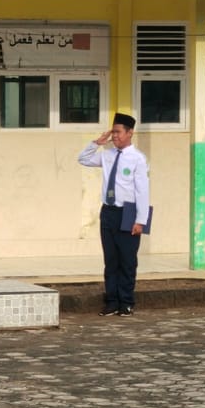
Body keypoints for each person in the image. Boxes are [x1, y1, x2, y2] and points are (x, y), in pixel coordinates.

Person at [78, 112, 150, 318]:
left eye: (118, 132)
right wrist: (97, 142)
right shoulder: (108, 154)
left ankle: (126, 302)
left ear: (130, 133)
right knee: (111, 260)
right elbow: (83, 159)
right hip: (108, 211)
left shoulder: (138, 159)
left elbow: (142, 191)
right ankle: (111, 302)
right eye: (113, 132)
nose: (115, 136)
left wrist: (140, 220)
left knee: (127, 260)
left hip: (128, 212)